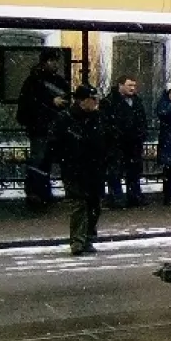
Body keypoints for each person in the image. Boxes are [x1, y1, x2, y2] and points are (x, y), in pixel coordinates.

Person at [51, 85, 109, 256]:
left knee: (94, 203)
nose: (96, 103)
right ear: (83, 101)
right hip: (74, 168)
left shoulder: (98, 118)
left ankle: (89, 237)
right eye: (93, 99)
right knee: (79, 203)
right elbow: (55, 143)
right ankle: (78, 240)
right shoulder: (66, 118)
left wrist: (106, 157)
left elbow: (108, 139)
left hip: (95, 168)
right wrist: (66, 158)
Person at [15, 51, 69, 211]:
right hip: (40, 128)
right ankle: (36, 193)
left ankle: (42, 193)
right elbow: (30, 104)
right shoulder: (34, 82)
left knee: (44, 161)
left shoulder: (39, 81)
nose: (55, 64)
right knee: (39, 160)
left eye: (56, 61)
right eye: (51, 61)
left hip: (50, 128)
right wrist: (51, 102)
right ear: (43, 62)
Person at [102, 77, 148, 208]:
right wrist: (116, 135)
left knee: (133, 172)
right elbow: (106, 123)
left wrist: (140, 134)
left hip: (133, 144)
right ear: (120, 85)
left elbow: (142, 121)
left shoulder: (137, 102)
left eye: (134, 85)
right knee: (115, 172)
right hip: (117, 144)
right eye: (129, 85)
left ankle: (134, 197)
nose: (132, 88)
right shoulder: (110, 102)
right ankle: (117, 198)